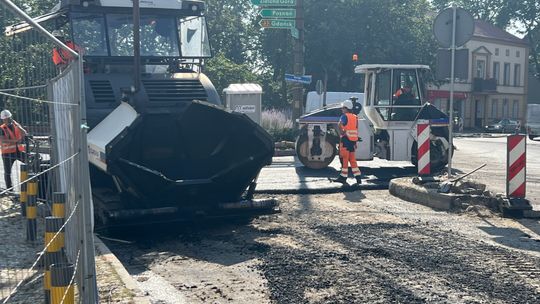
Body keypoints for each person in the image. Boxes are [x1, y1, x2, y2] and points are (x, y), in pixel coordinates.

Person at [334, 99, 362, 185]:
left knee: (344, 159)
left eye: (343, 108)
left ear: (346, 108)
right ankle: (358, 178)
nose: (341, 109)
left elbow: (339, 124)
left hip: (345, 141)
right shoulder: (355, 117)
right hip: (353, 142)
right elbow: (355, 129)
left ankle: (343, 178)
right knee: (352, 160)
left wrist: (341, 132)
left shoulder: (344, 116)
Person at [0, 110, 27, 191]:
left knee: (30, 163)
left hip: (18, 151)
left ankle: (31, 182)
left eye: (8, 118)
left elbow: (24, 133)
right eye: (6, 119)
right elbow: (3, 140)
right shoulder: (2, 128)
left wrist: (18, 125)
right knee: (8, 172)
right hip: (7, 154)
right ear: (3, 120)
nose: (7, 120)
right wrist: (15, 141)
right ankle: (9, 189)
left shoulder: (16, 125)